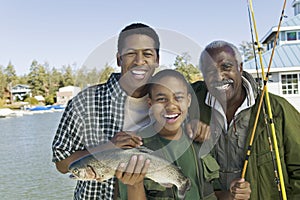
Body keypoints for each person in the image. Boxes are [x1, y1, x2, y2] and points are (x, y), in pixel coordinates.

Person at [52, 22, 160, 199]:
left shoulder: (170, 103)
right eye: (131, 53)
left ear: (156, 60)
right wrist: (108, 147)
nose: (139, 61)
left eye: (147, 54)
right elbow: (61, 164)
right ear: (119, 59)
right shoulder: (84, 104)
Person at [192, 40, 300, 199]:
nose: (219, 76)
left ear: (240, 68)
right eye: (209, 71)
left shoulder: (277, 109)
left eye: (226, 67)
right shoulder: (189, 105)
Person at [116, 69, 219, 200]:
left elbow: (217, 192)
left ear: (188, 100)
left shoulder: (201, 138)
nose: (170, 105)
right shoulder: (134, 147)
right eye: (161, 99)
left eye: (179, 97)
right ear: (150, 104)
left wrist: (233, 193)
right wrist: (134, 185)